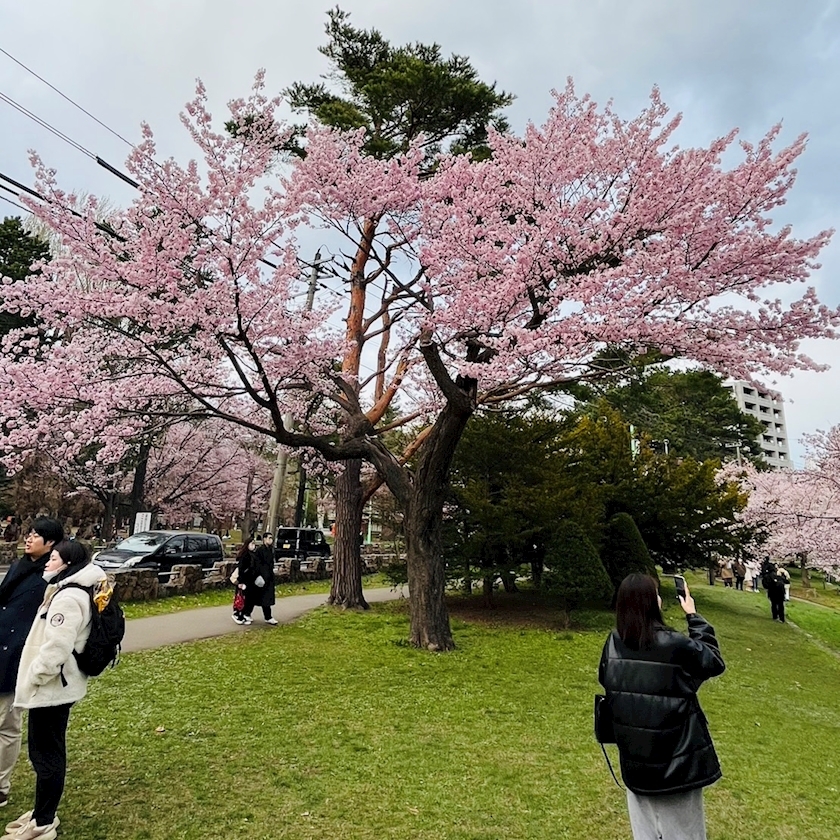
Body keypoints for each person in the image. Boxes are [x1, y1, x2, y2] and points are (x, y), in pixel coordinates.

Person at [599, 574, 725, 840]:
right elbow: (712, 660)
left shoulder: (614, 643)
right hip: (677, 761)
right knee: (684, 832)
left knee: (644, 832)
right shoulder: (675, 645)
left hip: (636, 759)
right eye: (656, 594)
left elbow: (608, 681)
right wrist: (693, 616)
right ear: (650, 603)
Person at [7, 540, 106, 840]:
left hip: (52, 690)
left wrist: (36, 675)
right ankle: (40, 813)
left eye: (54, 558)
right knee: (47, 752)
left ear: (67, 563)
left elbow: (57, 648)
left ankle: (44, 822)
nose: (48, 562)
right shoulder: (71, 591)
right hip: (58, 687)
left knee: (45, 755)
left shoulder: (67, 598)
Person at [0, 518, 62, 810]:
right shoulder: (18, 567)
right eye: (30, 533)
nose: (29, 539)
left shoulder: (51, 578)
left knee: (6, 723)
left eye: (36, 536)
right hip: (1, 646)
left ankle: (1, 785)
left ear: (50, 544)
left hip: (16, 654)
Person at [241, 534, 277, 625]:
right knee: (255, 598)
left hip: (269, 577)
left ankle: (267, 616)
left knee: (265, 598)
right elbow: (258, 564)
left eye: (271, 538)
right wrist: (261, 575)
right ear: (264, 539)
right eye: (269, 538)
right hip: (261, 578)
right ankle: (247, 613)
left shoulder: (271, 550)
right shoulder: (260, 550)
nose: (271, 540)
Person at [231, 537, 256, 625]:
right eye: (252, 544)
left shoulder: (252, 554)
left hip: (249, 580)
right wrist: (240, 582)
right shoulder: (244, 556)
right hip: (243, 580)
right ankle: (237, 614)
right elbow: (241, 570)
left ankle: (243, 614)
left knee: (247, 598)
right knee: (241, 597)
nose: (253, 546)